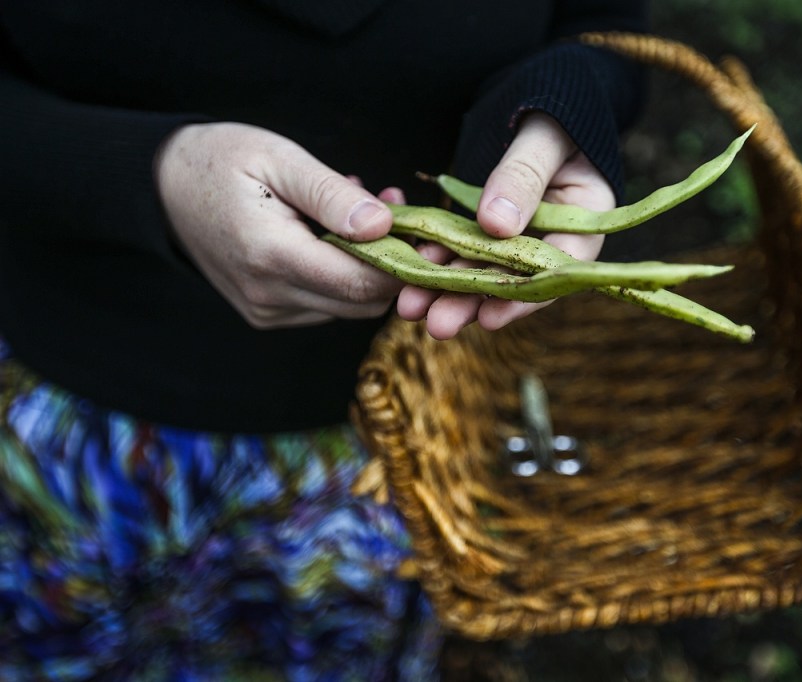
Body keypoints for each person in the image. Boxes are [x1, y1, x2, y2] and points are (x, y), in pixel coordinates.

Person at [0, 1, 649, 678]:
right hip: (81, 420)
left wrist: (570, 92)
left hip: (403, 425)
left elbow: (606, 24)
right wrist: (150, 174)